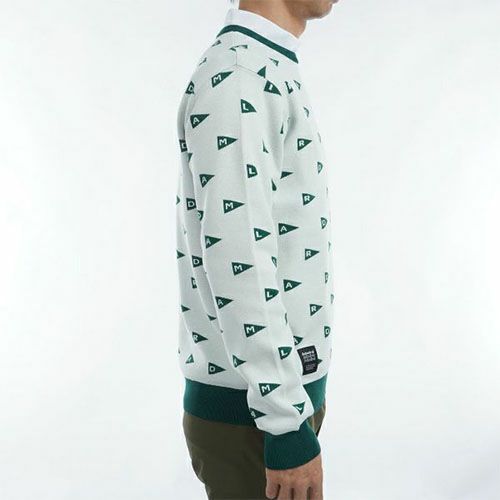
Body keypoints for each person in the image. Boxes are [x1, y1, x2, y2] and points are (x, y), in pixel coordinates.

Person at [175, 1, 337, 498]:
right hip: (257, 419)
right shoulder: (241, 75)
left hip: (272, 408)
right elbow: (238, 258)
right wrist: (284, 424)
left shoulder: (265, 65)